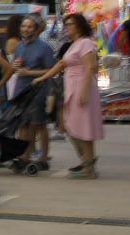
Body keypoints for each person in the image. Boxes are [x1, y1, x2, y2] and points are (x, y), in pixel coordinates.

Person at [32, 13, 102, 177]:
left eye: (70, 24)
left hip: (81, 87)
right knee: (69, 124)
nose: (67, 27)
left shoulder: (85, 43)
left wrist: (84, 91)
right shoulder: (74, 44)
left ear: (79, 25)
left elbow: (90, 67)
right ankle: (86, 161)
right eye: (66, 24)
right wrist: (43, 77)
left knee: (83, 127)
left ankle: (88, 165)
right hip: (72, 87)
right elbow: (62, 64)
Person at [8, 15, 57, 167]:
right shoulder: (19, 46)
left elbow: (51, 70)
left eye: (29, 27)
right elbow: (16, 67)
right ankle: (25, 156)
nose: (26, 29)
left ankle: (43, 158)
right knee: (22, 124)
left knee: (38, 124)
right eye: (23, 26)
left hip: (38, 90)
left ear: (35, 29)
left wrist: (30, 73)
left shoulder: (44, 47)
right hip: (20, 89)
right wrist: (16, 68)